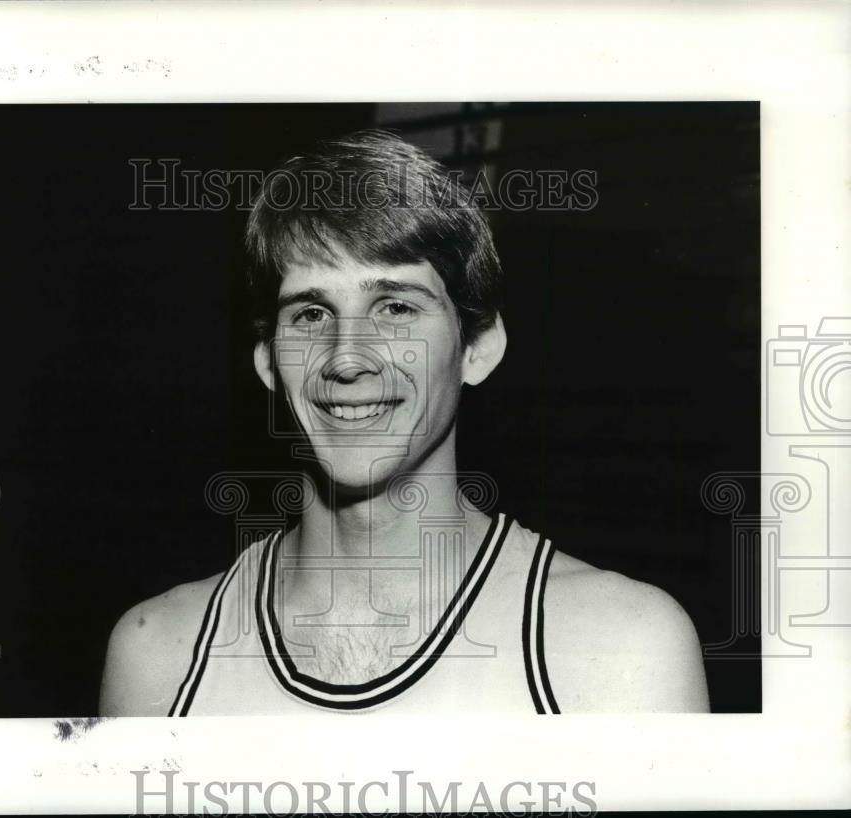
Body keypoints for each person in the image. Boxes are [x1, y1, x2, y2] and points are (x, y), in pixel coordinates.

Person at [99, 130, 710, 716]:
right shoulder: (159, 656)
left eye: (395, 307)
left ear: (478, 347)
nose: (347, 358)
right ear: (267, 362)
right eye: (311, 315)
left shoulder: (623, 651)